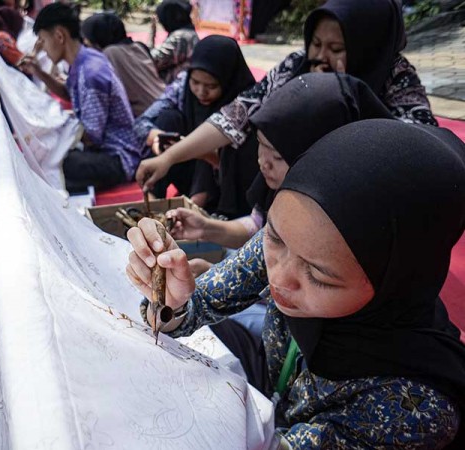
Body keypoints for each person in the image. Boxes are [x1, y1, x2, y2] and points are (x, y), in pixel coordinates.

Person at [127, 119, 465, 448]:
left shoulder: (413, 411)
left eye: (319, 276)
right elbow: (198, 304)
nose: (279, 280)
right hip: (276, 390)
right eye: (272, 237)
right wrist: (171, 302)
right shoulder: (298, 236)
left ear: (397, 282)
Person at [136, 0, 439, 193]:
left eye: (336, 50)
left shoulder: (396, 78)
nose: (320, 56)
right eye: (316, 43)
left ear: (367, 49)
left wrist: (345, 93)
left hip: (357, 198)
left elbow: (421, 153)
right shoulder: (297, 64)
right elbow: (237, 114)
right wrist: (168, 158)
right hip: (287, 190)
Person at [168, 72, 394, 257]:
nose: (262, 163)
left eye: (277, 156)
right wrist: (206, 228)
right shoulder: (282, 186)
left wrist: (226, 284)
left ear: (321, 153)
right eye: (259, 144)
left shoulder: (347, 223)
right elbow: (259, 230)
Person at [21, 3, 143, 191]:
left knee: (59, 162)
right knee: (48, 152)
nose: (43, 49)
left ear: (59, 36)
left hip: (117, 157)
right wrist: (38, 71)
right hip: (105, 149)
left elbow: (91, 135)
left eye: (43, 40)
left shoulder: (91, 73)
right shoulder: (85, 59)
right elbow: (70, 94)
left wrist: (50, 132)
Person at [134, 35, 257, 216]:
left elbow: (242, 165)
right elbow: (141, 124)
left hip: (224, 184)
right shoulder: (182, 86)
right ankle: (153, 197)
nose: (201, 92)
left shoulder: (246, 102)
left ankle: (197, 204)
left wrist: (196, 149)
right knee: (168, 118)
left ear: (228, 80)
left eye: (211, 86)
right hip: (185, 167)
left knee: (210, 137)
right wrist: (159, 138)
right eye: (196, 83)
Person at [81, 12, 164, 117]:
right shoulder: (139, 46)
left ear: (97, 38)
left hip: (147, 117)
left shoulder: (109, 53)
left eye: (87, 38)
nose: (85, 42)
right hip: (164, 107)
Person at [151, 0, 199, 84]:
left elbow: (150, 61)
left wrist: (152, 34)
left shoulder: (180, 37)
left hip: (172, 88)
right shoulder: (189, 33)